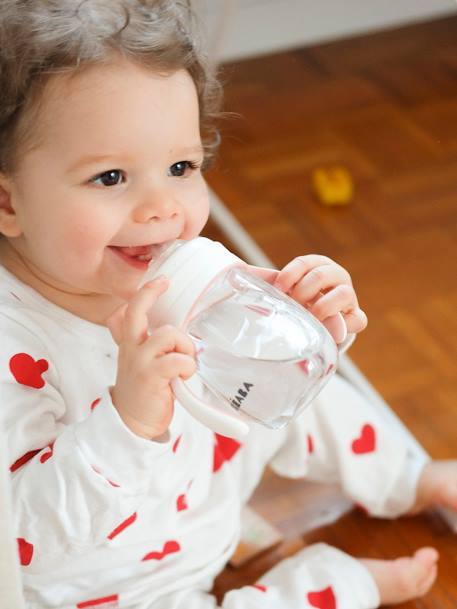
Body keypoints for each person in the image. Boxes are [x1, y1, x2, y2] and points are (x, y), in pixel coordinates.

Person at [0, 2, 455, 608]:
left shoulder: (171, 268)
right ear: (9, 205)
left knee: (294, 398)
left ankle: (407, 477)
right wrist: (127, 421)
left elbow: (276, 390)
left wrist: (307, 323)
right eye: (111, 177)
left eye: (182, 166)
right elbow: (28, 541)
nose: (163, 207)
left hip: (199, 514)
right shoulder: (15, 349)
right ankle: (339, 586)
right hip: (110, 590)